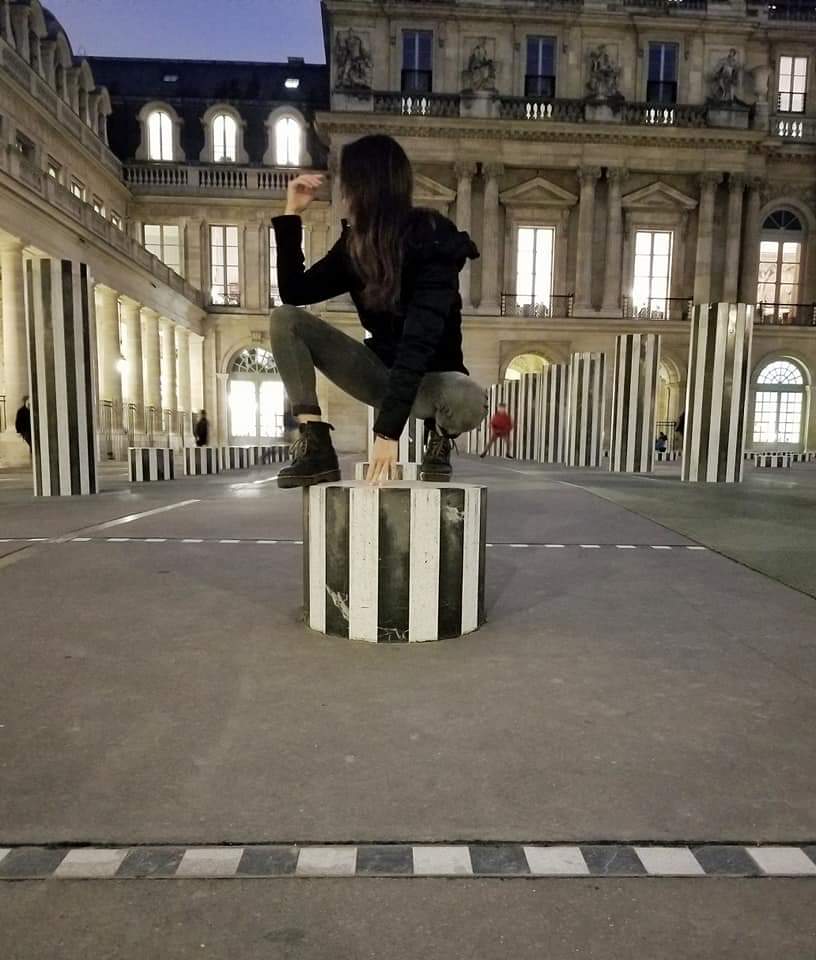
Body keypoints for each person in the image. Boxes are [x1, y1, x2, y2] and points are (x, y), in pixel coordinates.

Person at [269, 134, 487, 488]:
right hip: (379, 372)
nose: (342, 194)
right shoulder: (355, 245)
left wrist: (386, 435)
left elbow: (419, 342)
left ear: (364, 186)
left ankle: (440, 439)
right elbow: (295, 292)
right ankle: (316, 443)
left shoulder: (431, 237)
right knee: (285, 320)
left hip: (430, 380)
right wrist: (291, 213)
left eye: (347, 183)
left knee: (469, 398)